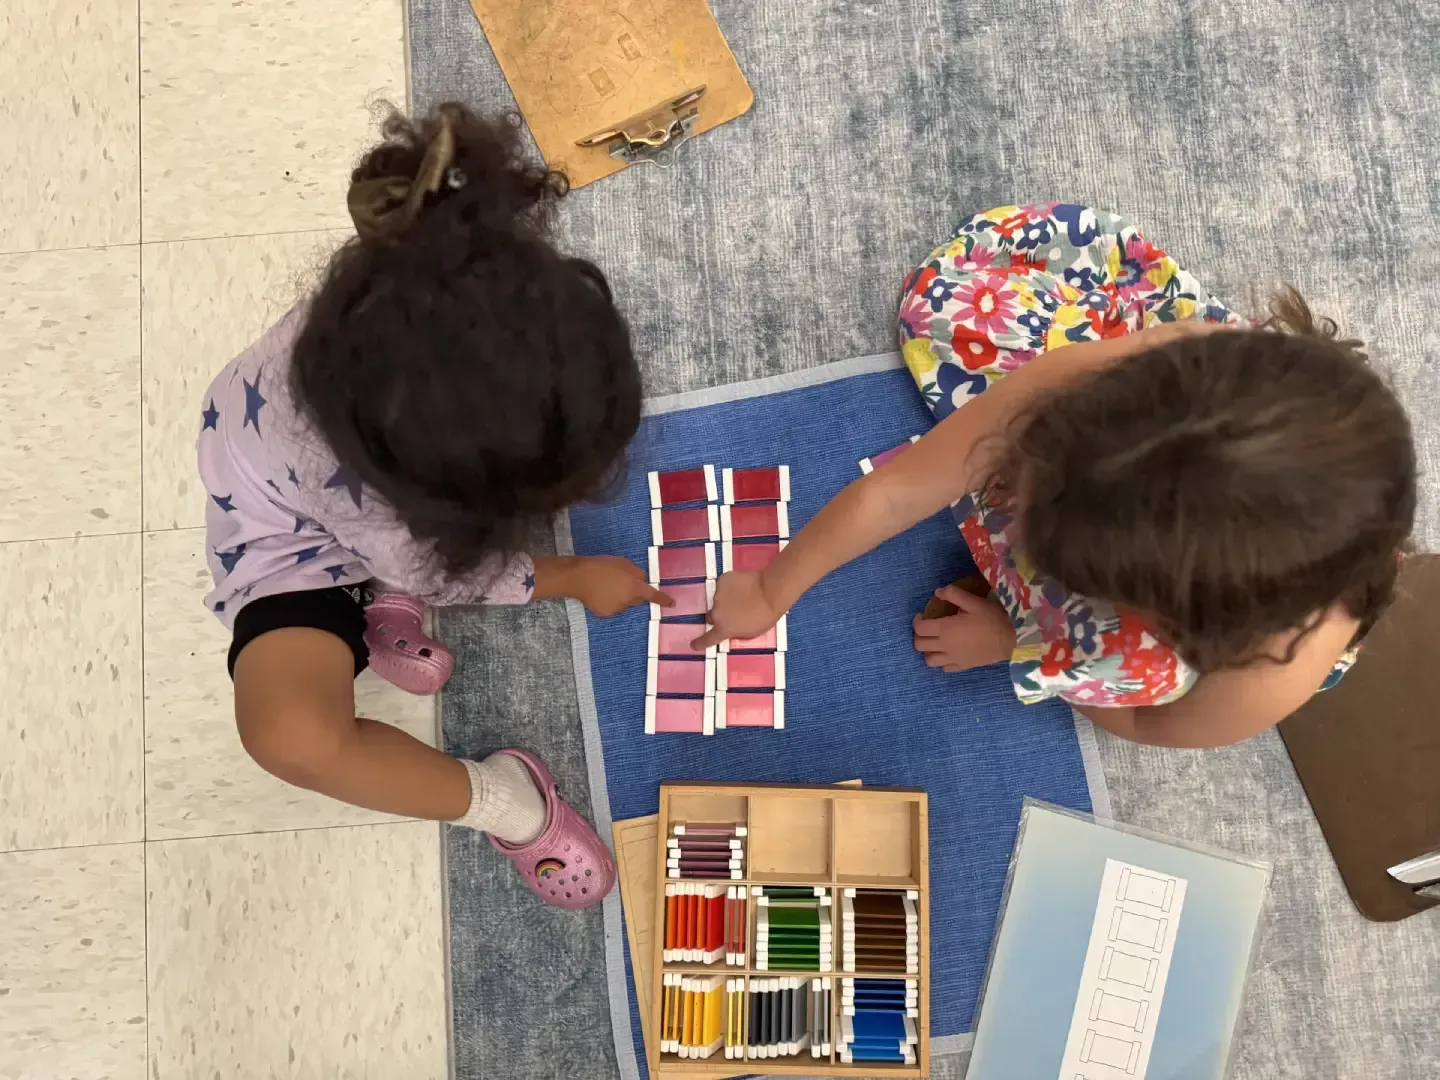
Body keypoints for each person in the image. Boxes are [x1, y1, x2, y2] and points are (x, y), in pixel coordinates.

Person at [698, 204, 1416, 749]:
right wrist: (770, 588)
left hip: (1188, 627)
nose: (1006, 500)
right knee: (950, 305)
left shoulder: (1264, 672)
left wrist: (1022, 644)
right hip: (1190, 492)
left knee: (1129, 665)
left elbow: (1151, 723)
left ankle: (1063, 614)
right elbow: (900, 488)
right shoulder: (1155, 364)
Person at [198, 103, 671, 907]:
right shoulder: (395, 515)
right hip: (290, 547)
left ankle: (377, 601)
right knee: (290, 736)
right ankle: (508, 800)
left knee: (395, 557)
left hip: (349, 501)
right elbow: (453, 572)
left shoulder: (413, 283)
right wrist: (575, 575)